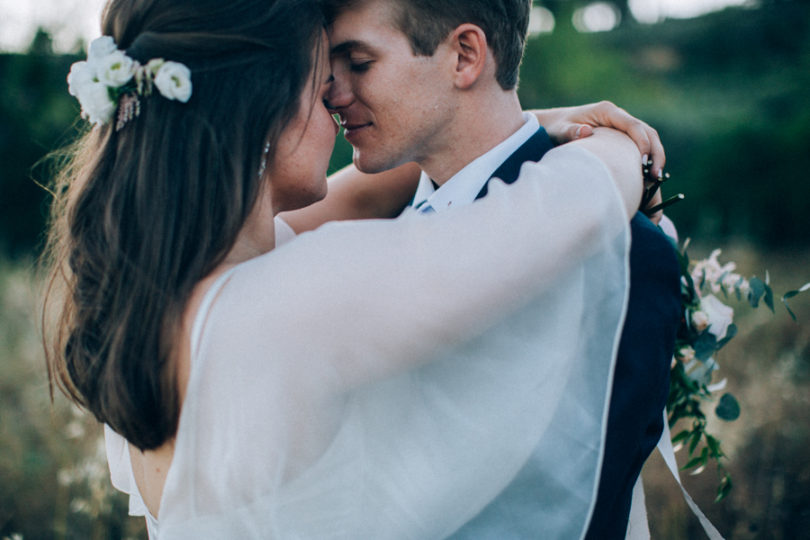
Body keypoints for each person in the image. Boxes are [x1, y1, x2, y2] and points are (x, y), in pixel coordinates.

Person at [44, 0, 662, 537]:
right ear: (266, 112)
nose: (335, 102)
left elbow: (356, 193)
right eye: (318, 87)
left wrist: (534, 123)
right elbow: (571, 207)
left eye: (354, 67)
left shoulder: (160, 294)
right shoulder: (291, 298)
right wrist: (622, 145)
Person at [320, 0, 682, 537]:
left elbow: (586, 513)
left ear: (465, 56)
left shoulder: (623, 250)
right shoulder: (362, 233)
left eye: (359, 63)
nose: (332, 92)